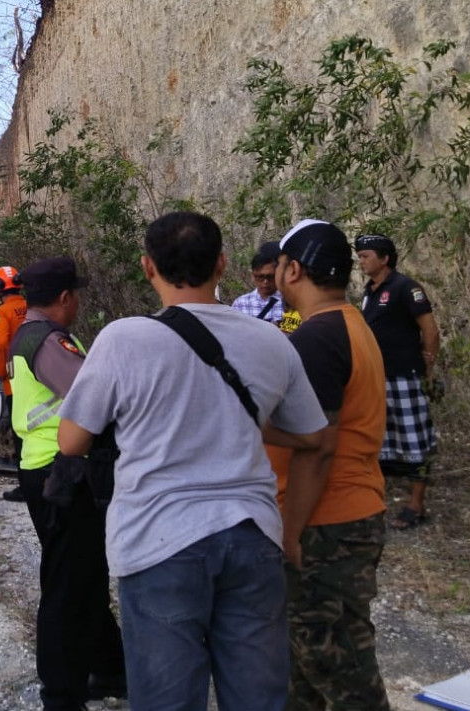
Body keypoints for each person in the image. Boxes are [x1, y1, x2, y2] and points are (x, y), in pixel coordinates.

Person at [57, 212, 328, 711]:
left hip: (159, 541)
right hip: (253, 535)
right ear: (223, 264)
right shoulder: (271, 341)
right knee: (257, 699)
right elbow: (313, 435)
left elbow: (72, 441)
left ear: (146, 267)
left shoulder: (123, 340)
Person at [267, 219, 391, 710]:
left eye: (278, 265)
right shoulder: (350, 324)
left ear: (293, 269)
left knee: (335, 662)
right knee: (303, 670)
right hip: (342, 514)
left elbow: (317, 445)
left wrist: (291, 533)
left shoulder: (318, 338)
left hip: (326, 521)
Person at [9, 256, 127, 711]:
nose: (78, 300)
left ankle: (112, 668)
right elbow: (92, 398)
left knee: (84, 574)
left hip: (49, 467)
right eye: (75, 293)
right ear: (64, 297)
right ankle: (60, 695)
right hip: (61, 471)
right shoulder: (49, 341)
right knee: (68, 584)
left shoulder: (31, 332)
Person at [355, 234, 441, 530]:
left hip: (405, 377)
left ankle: (416, 505)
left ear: (384, 258)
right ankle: (376, 503)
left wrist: (428, 370)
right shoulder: (369, 291)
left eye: (365, 255)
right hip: (377, 378)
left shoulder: (407, 288)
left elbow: (430, 331)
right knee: (379, 440)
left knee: (415, 438)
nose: (361, 260)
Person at [0, 265, 28, 502]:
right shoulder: (31, 306)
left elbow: (2, 344)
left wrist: (0, 370)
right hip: (39, 376)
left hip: (14, 381)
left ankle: (26, 485)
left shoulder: (1, 313)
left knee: (20, 435)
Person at [231, 241, 285, 326]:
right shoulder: (241, 303)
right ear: (252, 275)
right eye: (260, 277)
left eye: (270, 277)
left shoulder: (288, 302)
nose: (265, 282)